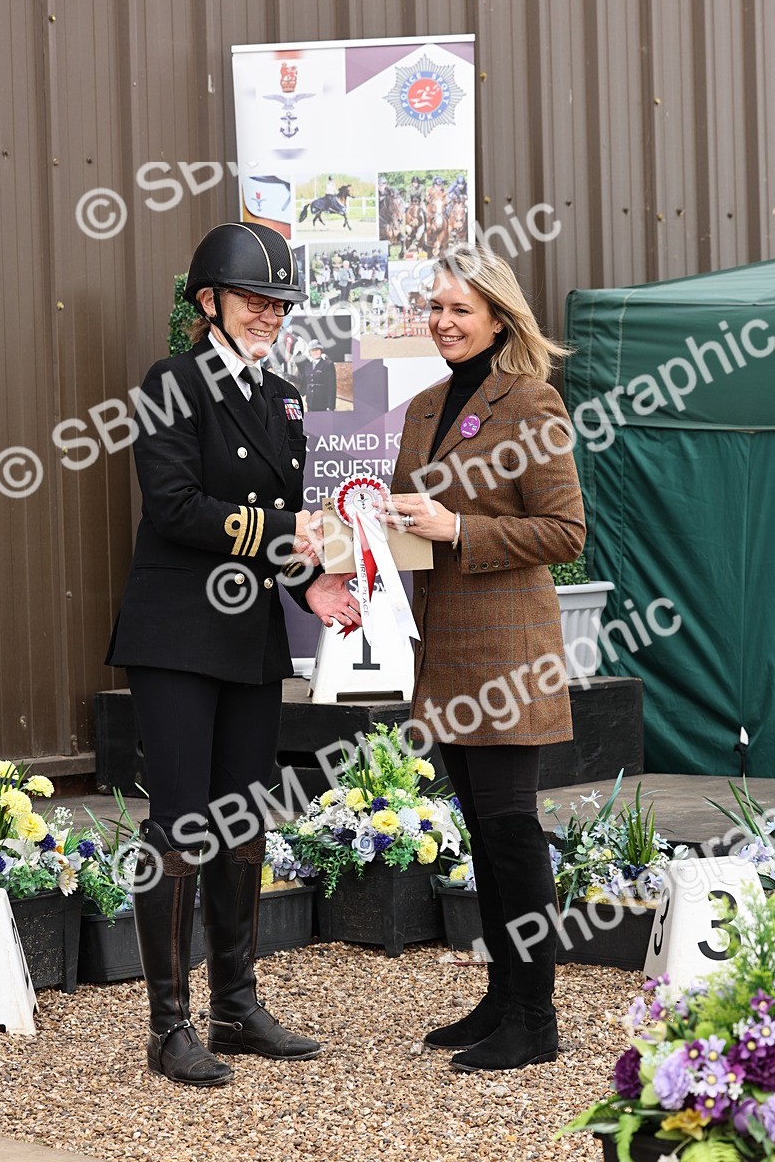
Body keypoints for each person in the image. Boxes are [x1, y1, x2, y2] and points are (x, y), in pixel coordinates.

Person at [105, 222, 360, 1087]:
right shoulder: (170, 383)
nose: (269, 315)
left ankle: (236, 1006)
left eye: (279, 304)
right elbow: (175, 507)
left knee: (244, 824)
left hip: (250, 639)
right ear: (208, 301)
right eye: (256, 300)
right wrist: (288, 533)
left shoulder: (285, 398)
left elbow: (277, 532)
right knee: (181, 827)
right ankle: (169, 1027)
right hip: (177, 636)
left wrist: (311, 588)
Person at [383, 243, 586, 1074]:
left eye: (460, 309)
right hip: (445, 652)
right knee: (482, 829)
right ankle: (504, 996)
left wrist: (459, 528)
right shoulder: (425, 406)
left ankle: (536, 1019)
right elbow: (406, 523)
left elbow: (567, 533)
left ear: (499, 318)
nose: (443, 322)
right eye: (434, 308)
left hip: (508, 655)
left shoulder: (532, 403)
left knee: (510, 833)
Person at [305, 339, 337, 411]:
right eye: (313, 350)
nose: (315, 352)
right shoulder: (308, 365)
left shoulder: (328, 364)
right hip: (310, 402)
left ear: (321, 350)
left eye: (317, 350)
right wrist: (289, 377)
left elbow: (332, 386)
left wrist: (331, 406)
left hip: (322, 403)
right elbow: (304, 381)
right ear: (310, 352)